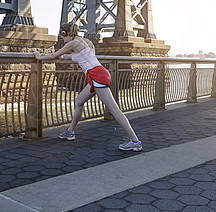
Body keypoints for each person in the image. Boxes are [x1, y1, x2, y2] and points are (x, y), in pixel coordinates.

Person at [33, 23, 142, 151]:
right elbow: (80, 56)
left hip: (96, 75)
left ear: (65, 33)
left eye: (62, 35)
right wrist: (63, 55)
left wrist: (39, 57)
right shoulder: (86, 41)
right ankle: (70, 132)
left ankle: (135, 141)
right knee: (79, 101)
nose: (62, 38)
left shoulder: (71, 43)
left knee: (114, 109)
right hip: (98, 74)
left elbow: (53, 56)